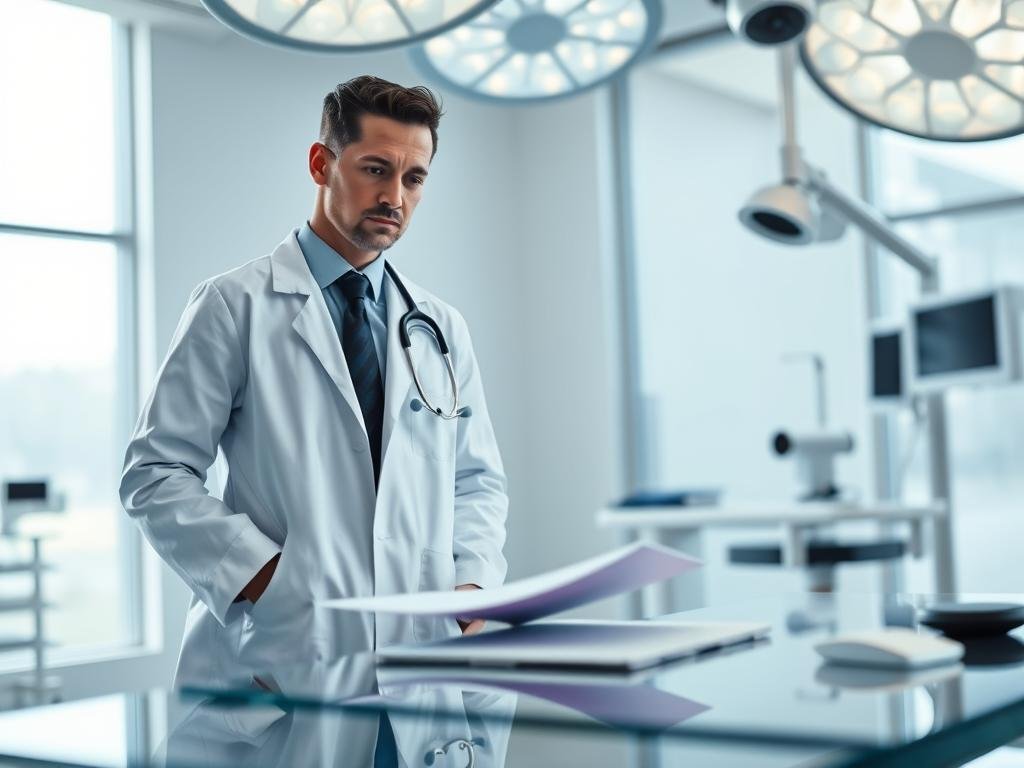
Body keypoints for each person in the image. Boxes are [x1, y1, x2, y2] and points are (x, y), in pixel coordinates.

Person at [120, 75, 508, 686]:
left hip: (421, 654)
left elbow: (475, 479)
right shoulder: (233, 305)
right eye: (375, 169)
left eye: (414, 178)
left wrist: (470, 581)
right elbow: (155, 473)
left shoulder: (439, 326)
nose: (395, 198)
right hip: (284, 654)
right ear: (322, 163)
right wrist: (267, 578)